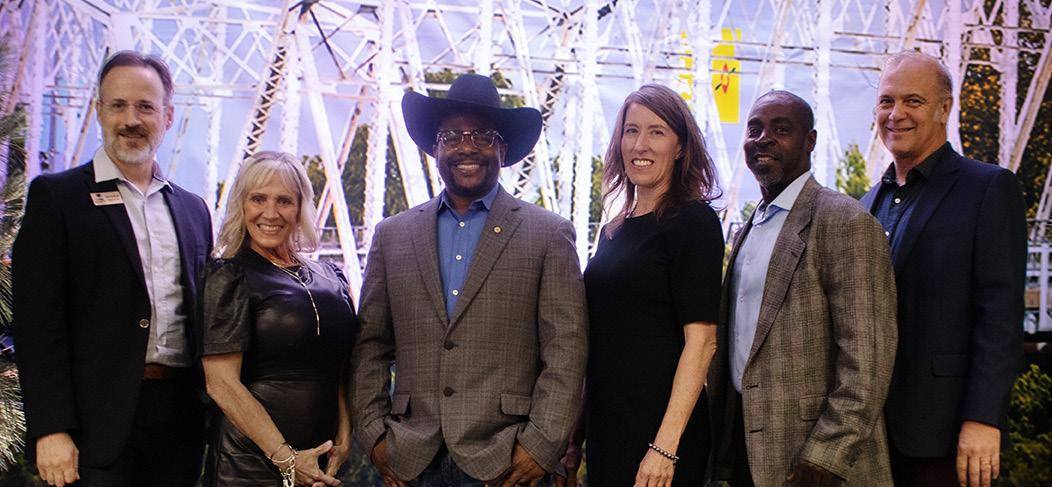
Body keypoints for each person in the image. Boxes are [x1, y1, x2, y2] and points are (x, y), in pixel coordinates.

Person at [350, 73, 588, 486]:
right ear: (435, 149)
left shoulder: (548, 234)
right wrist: (374, 437)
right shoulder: (392, 236)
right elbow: (370, 345)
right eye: (451, 136)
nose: (466, 146)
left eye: (482, 135)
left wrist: (541, 445)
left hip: (508, 459)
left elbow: (566, 348)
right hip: (411, 460)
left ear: (502, 148)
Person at [12, 51, 212, 486]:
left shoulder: (193, 210)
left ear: (168, 116)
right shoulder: (57, 198)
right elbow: (37, 324)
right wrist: (50, 428)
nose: (131, 120)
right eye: (118, 105)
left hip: (180, 423)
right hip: (93, 427)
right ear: (99, 111)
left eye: (145, 107)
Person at [707, 91, 898, 486]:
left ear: (809, 141)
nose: (763, 139)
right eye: (754, 129)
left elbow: (868, 357)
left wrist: (828, 455)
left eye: (781, 129)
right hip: (748, 451)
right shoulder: (749, 229)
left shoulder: (845, 221)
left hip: (817, 463)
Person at [860, 51, 1026, 487]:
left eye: (912, 101)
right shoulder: (864, 205)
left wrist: (983, 418)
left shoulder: (988, 189)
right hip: (868, 436)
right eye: (886, 101)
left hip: (946, 436)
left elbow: (1000, 318)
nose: (896, 114)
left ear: (944, 108)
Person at [564, 83, 723, 486]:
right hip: (608, 429)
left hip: (662, 437)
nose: (640, 145)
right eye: (631, 130)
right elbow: (604, 342)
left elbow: (703, 343)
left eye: (657, 132)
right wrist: (576, 438)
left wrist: (664, 448)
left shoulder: (693, 222)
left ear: (681, 147)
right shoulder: (614, 231)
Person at [200, 151, 357, 486]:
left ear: (300, 207)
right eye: (258, 199)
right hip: (249, 467)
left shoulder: (331, 276)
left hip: (321, 464)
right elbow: (221, 384)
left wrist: (345, 437)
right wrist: (287, 461)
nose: (270, 213)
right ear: (241, 205)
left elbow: (340, 368)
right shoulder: (229, 276)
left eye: (284, 201)